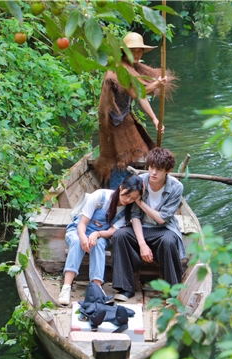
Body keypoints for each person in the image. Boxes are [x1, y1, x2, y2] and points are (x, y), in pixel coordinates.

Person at [93, 32, 177, 186]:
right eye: (133, 51)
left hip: (124, 116)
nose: (137, 54)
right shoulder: (119, 69)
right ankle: (117, 194)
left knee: (136, 152)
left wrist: (154, 119)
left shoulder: (132, 67)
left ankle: (128, 186)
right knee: (121, 158)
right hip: (114, 122)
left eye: (139, 51)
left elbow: (141, 97)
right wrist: (157, 84)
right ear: (124, 51)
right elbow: (137, 93)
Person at [111, 148, 186, 301]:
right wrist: (142, 244)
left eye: (158, 170)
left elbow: (161, 219)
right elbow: (135, 216)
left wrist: (140, 202)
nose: (153, 173)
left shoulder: (176, 187)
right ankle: (125, 288)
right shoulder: (140, 181)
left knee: (168, 241)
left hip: (164, 229)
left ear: (168, 170)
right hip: (141, 228)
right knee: (120, 235)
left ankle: (173, 292)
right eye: (151, 167)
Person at [58, 174, 144, 306]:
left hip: (102, 235)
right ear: (121, 187)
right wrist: (83, 238)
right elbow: (82, 224)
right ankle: (66, 287)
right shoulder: (99, 196)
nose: (128, 200)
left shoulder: (127, 212)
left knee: (98, 245)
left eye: (133, 199)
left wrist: (97, 234)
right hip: (78, 230)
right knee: (76, 242)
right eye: (127, 195)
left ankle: (96, 288)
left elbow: (111, 231)